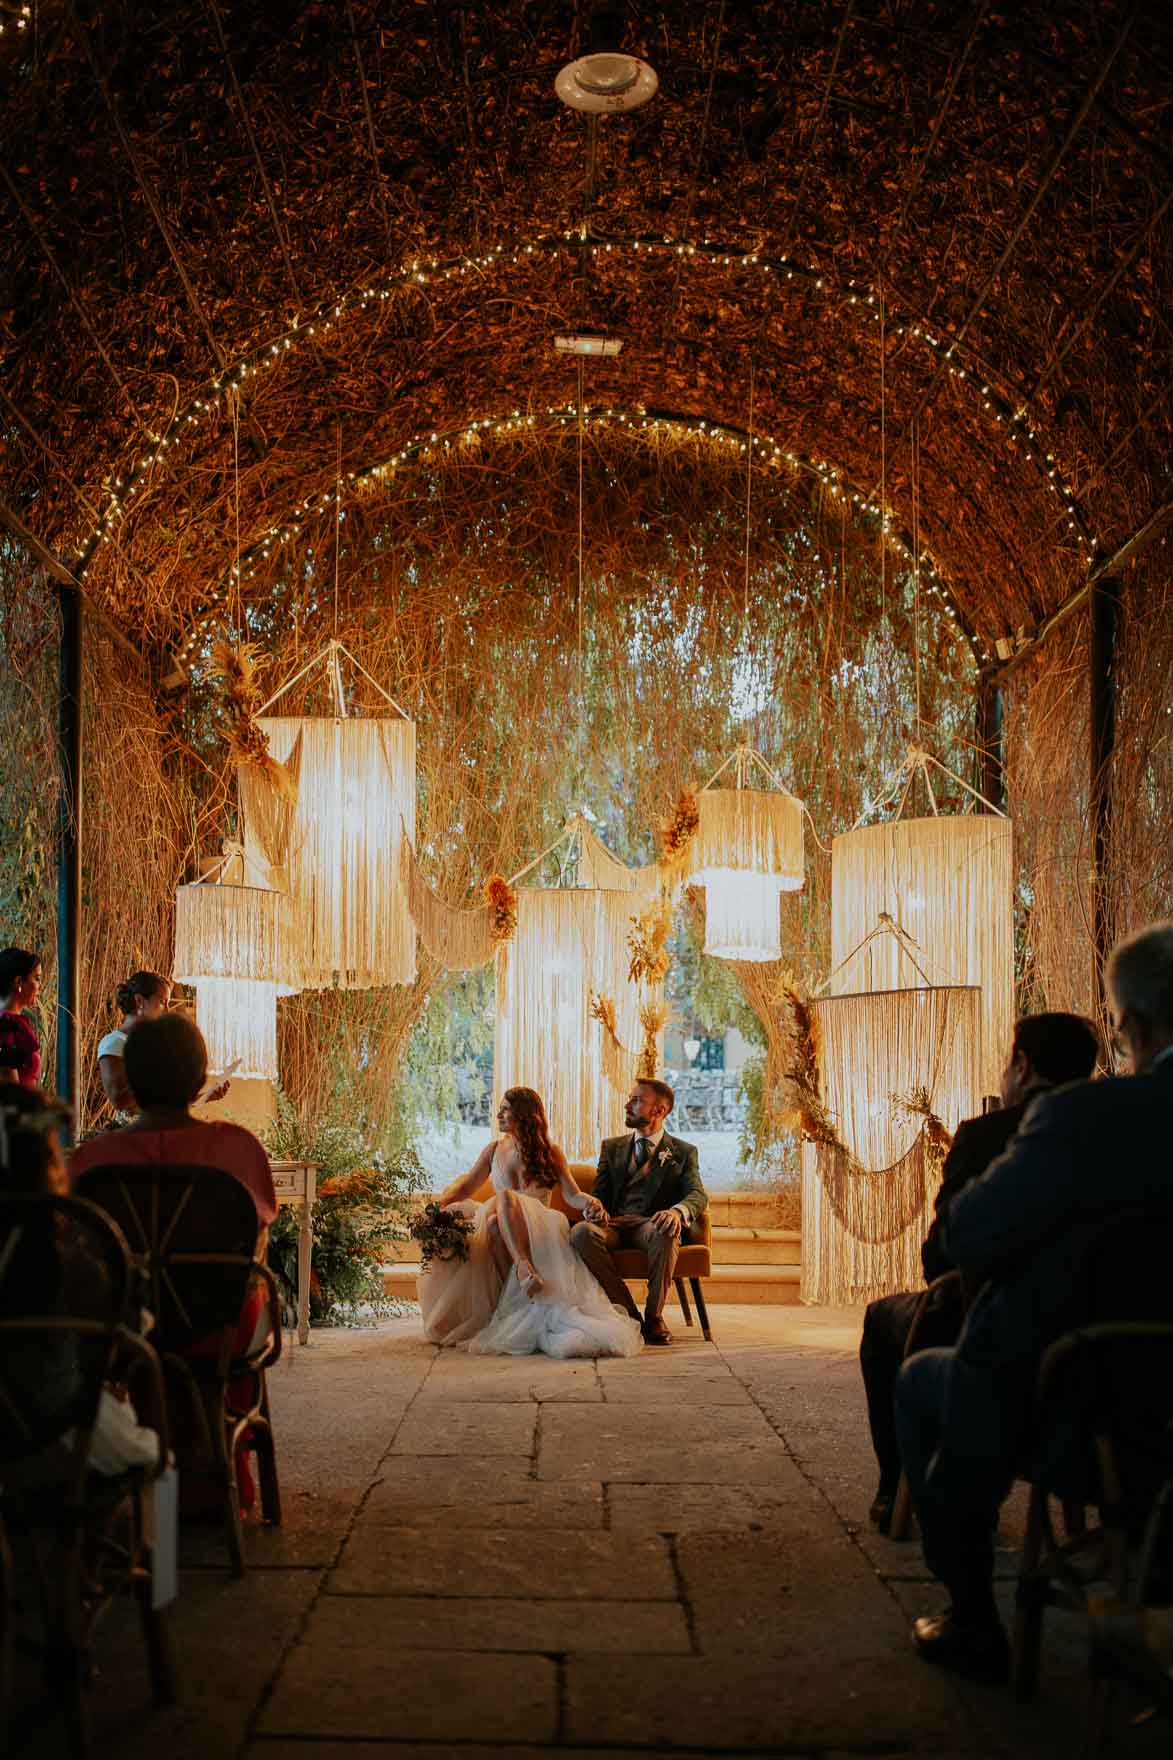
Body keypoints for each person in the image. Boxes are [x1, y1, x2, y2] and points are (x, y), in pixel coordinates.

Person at [895, 921, 1173, 1683]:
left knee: (925, 1378)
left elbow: (965, 1238)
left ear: (1137, 1028)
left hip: (1098, 1414)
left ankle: (973, 1618)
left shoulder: (1084, 1118)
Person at [860, 1012, 1101, 1534]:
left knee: (882, 1319)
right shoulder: (1117, 1137)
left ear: (1023, 1065)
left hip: (993, 1336)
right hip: (1100, 1349)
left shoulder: (990, 1135)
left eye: (1007, 1064)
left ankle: (895, 1486)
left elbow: (940, 1259)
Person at [0, 1085, 161, 1478]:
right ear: (50, 1160)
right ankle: (141, 1538)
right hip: (50, 1424)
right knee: (158, 1458)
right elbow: (121, 1331)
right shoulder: (67, 1253)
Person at [419, 1086, 642, 1359]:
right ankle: (514, 1297)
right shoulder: (493, 1150)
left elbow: (572, 1194)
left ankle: (524, 1268)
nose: (498, 1114)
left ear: (523, 1115)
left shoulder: (550, 1152)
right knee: (493, 1220)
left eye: (505, 1109)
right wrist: (435, 1207)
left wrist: (591, 1204)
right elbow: (465, 1187)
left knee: (504, 1203)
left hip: (542, 1224)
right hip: (501, 1223)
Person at [72, 1012, 276, 1229]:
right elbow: (256, 1228)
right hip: (212, 1263)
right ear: (201, 1080)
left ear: (130, 1080)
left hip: (127, 1264)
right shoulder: (239, 1149)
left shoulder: (93, 1158)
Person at [570, 1078, 708, 1345]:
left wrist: (677, 1212)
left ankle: (654, 1317)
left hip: (650, 1226)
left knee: (667, 1230)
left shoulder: (683, 1152)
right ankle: (630, 1315)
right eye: (630, 1099)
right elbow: (600, 1194)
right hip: (613, 1225)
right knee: (581, 1233)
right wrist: (594, 1209)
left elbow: (697, 1193)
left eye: (636, 1101)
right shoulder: (612, 1148)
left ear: (659, 1111)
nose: (627, 1105)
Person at [97, 972, 231, 1118]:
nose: (167, 1010)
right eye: (162, 1002)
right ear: (139, 1001)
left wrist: (206, 1096)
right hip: (134, 1137)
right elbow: (120, 1100)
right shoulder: (114, 1043)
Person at [0, 947, 44, 1088]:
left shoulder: (16, 1022)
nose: (40, 987)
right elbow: (11, 1093)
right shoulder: (5, 1026)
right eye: (37, 978)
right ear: (19, 982)